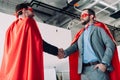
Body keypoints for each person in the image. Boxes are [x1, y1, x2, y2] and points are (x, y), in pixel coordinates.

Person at [0, 3, 62, 80]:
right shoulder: (28, 22)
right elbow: (39, 43)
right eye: (31, 10)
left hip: (11, 72)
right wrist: (57, 51)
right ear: (24, 10)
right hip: (23, 70)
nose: (33, 13)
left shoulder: (10, 29)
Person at [58, 8, 120, 80]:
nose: (82, 17)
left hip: (97, 70)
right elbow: (75, 46)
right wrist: (64, 53)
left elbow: (110, 44)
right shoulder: (81, 34)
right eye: (81, 16)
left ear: (91, 16)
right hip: (84, 71)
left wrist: (104, 63)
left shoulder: (98, 29)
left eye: (84, 15)